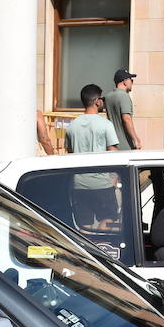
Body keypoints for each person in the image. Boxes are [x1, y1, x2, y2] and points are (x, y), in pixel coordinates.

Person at [65, 83, 121, 227]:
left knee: (84, 224)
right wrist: (114, 178)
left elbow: (69, 154)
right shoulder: (106, 124)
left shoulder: (72, 126)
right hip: (102, 183)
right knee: (108, 219)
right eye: (101, 98)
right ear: (97, 101)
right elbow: (113, 153)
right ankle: (101, 247)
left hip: (79, 185)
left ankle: (88, 249)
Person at [104, 68, 142, 150]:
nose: (132, 82)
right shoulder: (124, 96)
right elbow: (126, 119)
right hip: (125, 145)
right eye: (131, 80)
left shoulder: (108, 96)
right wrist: (135, 139)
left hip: (112, 143)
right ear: (125, 81)